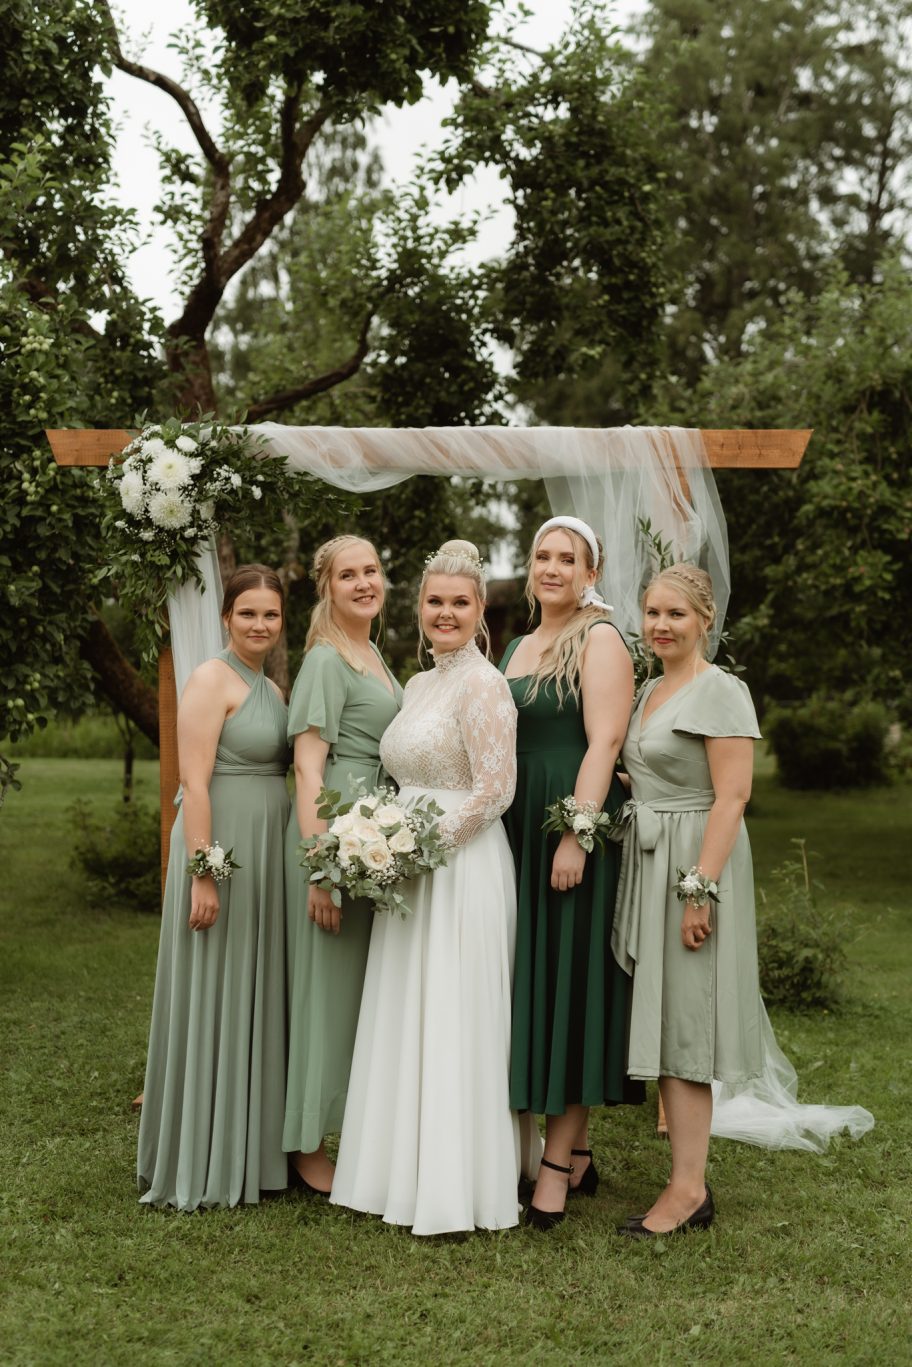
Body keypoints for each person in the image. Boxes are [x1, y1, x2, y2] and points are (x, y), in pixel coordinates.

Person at [612, 563, 873, 1237]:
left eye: (676, 614)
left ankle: (689, 1189)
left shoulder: (720, 690)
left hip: (697, 862)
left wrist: (700, 888)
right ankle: (685, 1181)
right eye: (653, 613)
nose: (662, 625)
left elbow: (732, 796)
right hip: (653, 857)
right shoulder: (649, 690)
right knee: (669, 1022)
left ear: (705, 620)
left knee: (689, 1025)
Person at [330, 541, 522, 1235]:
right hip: (406, 868)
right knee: (409, 1008)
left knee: (454, 1012)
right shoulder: (416, 686)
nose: (446, 613)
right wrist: (379, 837)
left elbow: (496, 791)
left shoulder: (484, 685)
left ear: (480, 609)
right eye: (435, 601)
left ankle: (457, 1184)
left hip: (461, 868)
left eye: (459, 603)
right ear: (419, 607)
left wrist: (418, 847)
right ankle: (396, 1172)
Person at [500, 516, 643, 1231]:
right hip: (515, 824)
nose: (552, 568)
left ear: (592, 572)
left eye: (567, 558)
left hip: (566, 820)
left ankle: (555, 1167)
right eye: (542, 556)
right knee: (537, 979)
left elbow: (605, 740)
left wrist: (576, 834)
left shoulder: (601, 638)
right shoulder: (518, 645)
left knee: (569, 983)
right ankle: (576, 1152)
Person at [137, 564, 290, 1210]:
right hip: (220, 846)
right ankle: (201, 1155)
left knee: (251, 989)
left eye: (270, 614)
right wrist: (203, 872)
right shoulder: (209, 678)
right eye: (247, 612)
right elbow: (193, 782)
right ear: (226, 617)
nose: (259, 624)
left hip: (266, 851)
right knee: (212, 988)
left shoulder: (271, 687)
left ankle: (251, 1148)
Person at [283, 535, 402, 1194]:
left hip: (370, 837)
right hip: (333, 833)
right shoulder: (326, 661)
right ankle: (305, 1145)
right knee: (322, 991)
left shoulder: (374, 654)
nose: (363, 583)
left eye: (371, 570)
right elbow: (308, 767)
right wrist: (320, 865)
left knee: (352, 991)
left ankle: (344, 1124)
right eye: (348, 575)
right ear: (327, 588)